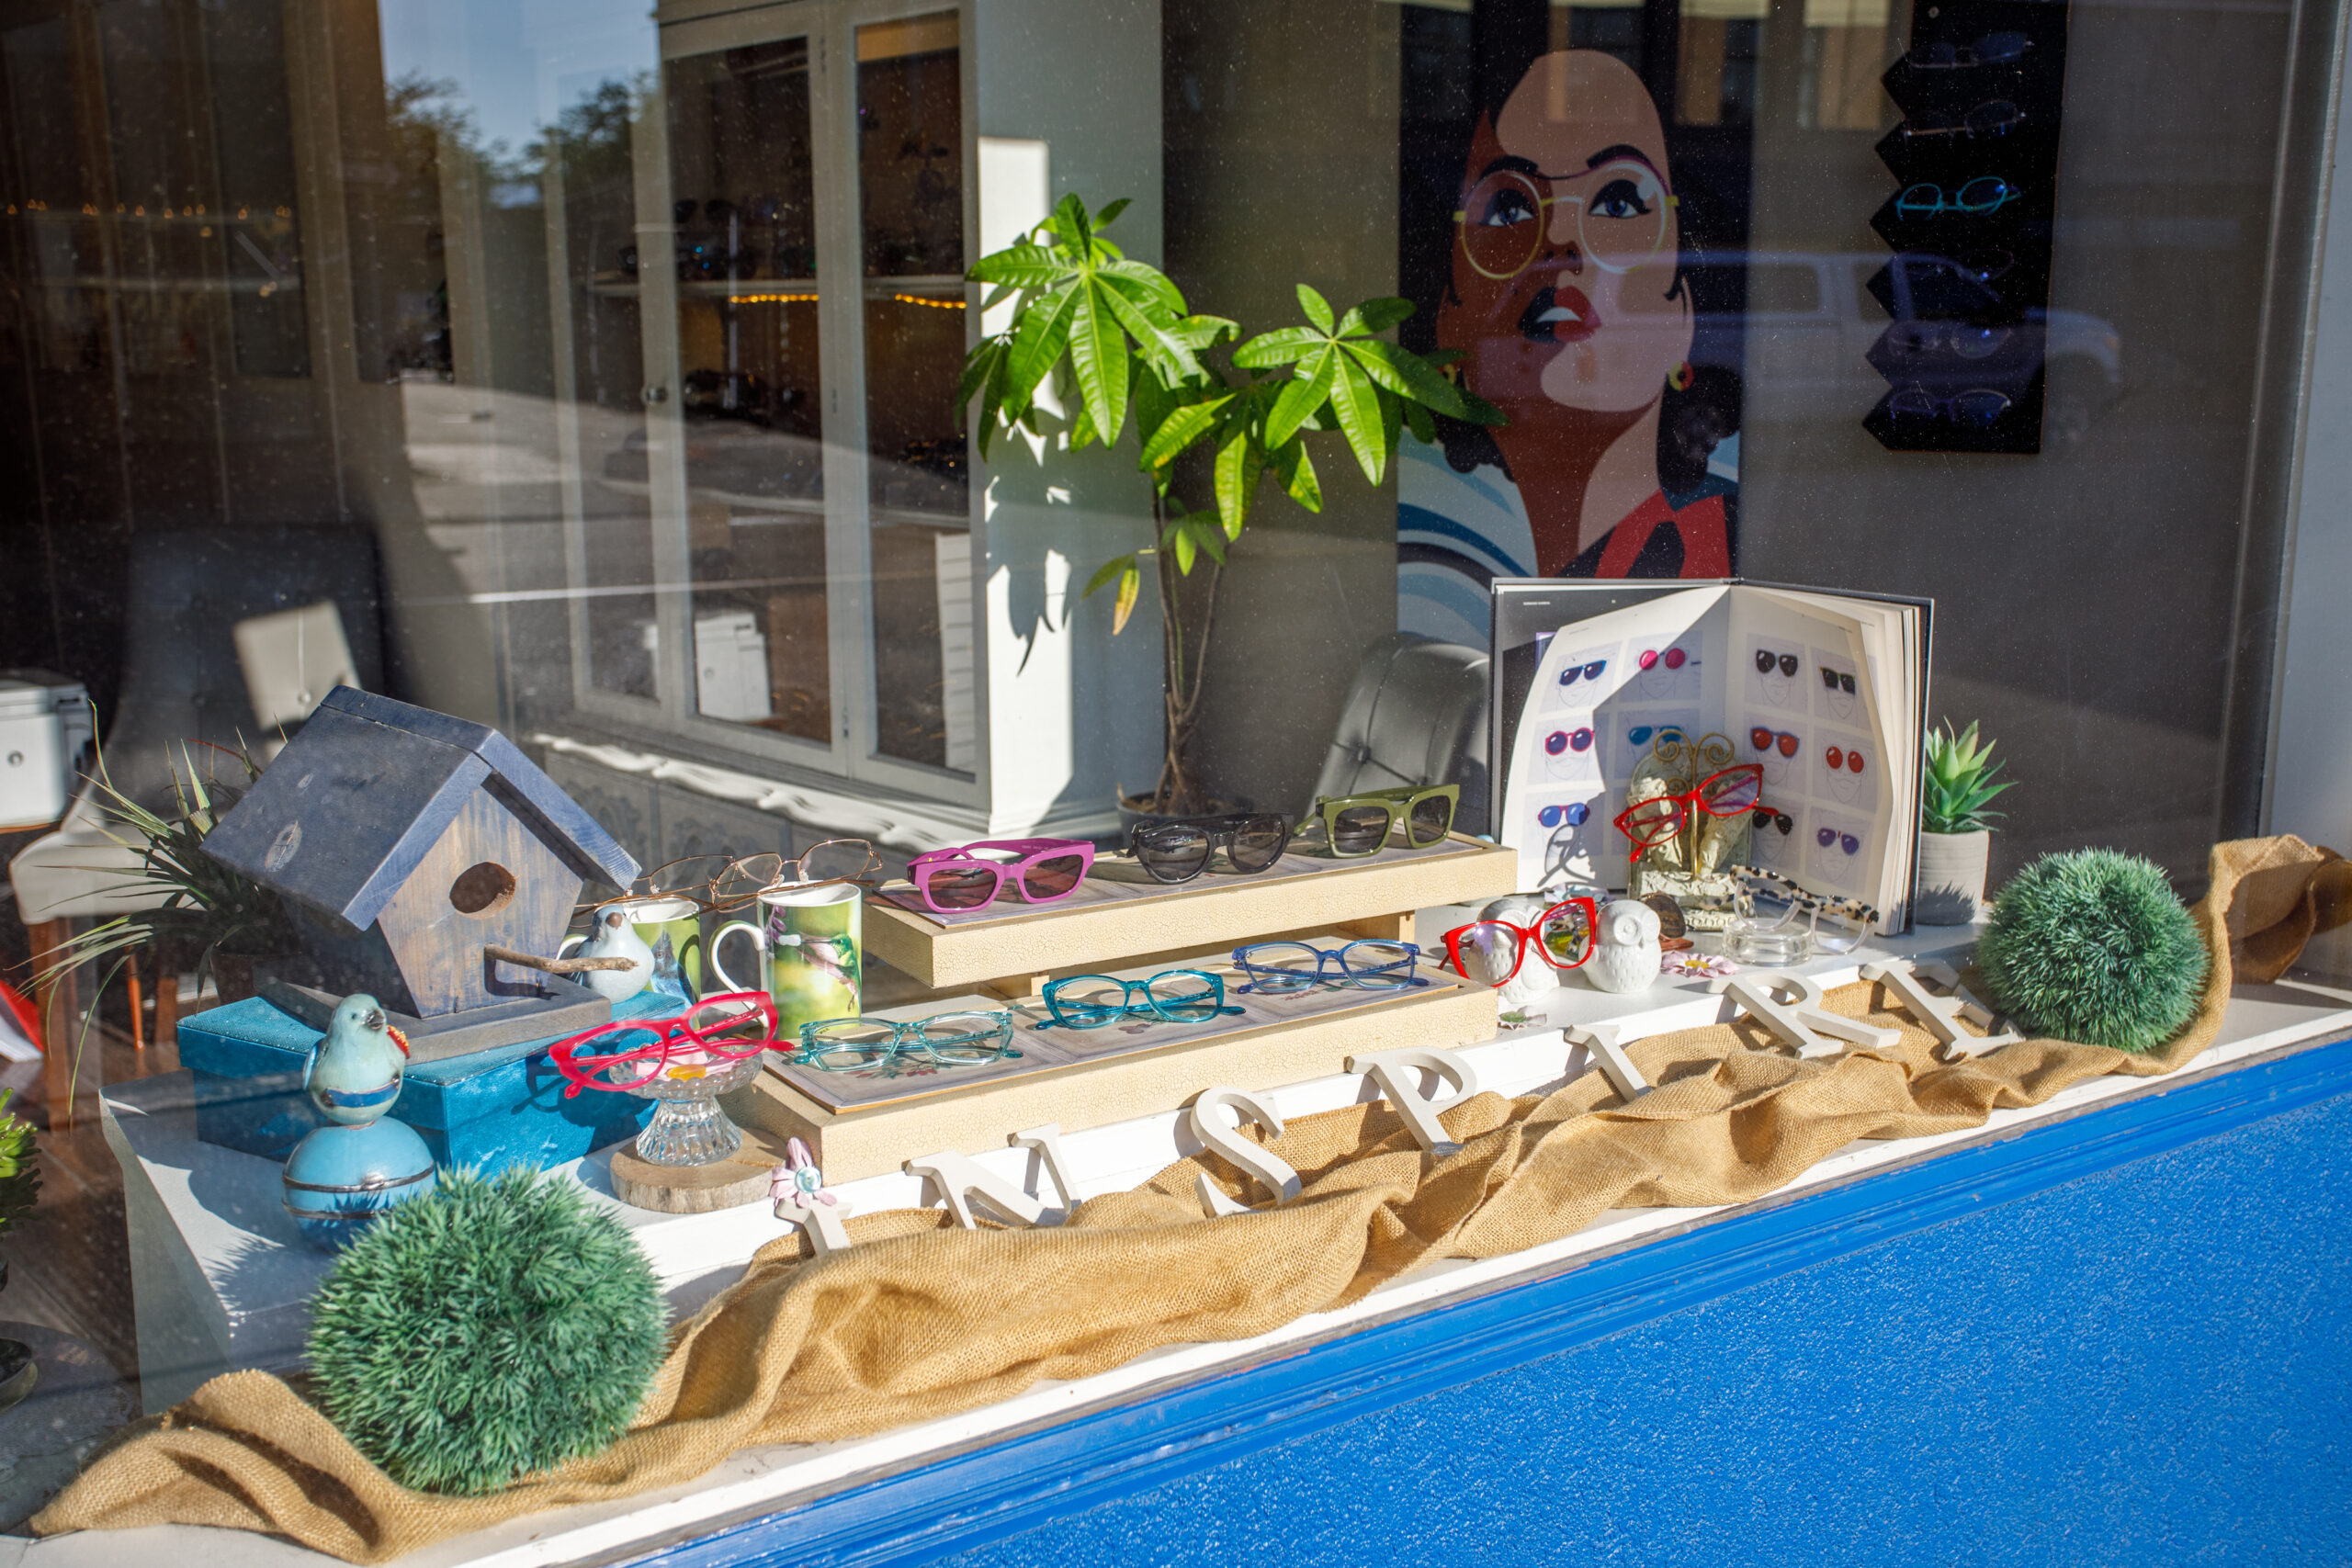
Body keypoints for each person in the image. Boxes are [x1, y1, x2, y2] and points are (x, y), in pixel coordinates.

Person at [1433, 50, 1729, 579]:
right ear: (1448, 316)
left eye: (1617, 203)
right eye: (1510, 208)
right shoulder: (1428, 551)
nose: (1564, 240)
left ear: (1682, 312)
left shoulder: (1715, 548)